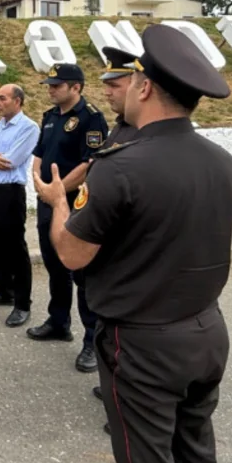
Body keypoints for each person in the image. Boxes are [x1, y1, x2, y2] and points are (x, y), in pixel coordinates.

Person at [33, 24, 232, 463]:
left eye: (128, 81)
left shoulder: (121, 167)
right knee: (196, 462)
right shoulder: (223, 162)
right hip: (206, 332)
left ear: (145, 88)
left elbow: (73, 254)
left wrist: (59, 204)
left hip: (143, 346)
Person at [27, 63, 109, 374]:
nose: (50, 89)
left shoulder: (91, 118)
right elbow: (39, 153)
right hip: (48, 201)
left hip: (76, 204)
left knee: (82, 272)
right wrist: (40, 183)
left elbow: (91, 164)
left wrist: (58, 191)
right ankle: (59, 321)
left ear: (75, 87)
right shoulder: (50, 116)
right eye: (49, 84)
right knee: (53, 264)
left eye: (56, 85)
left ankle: (91, 341)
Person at [89, 45, 143, 432]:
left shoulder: (145, 133)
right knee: (110, 331)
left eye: (115, 84)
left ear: (140, 85)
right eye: (105, 84)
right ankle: (114, 391)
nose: (106, 91)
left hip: (130, 252)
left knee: (133, 337)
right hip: (110, 250)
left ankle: (128, 411)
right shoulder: (121, 127)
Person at [0, 84, 40, 327]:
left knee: (15, 248)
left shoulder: (29, 128)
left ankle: (22, 303)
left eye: (2, 98)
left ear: (18, 101)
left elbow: (10, 161)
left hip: (11, 193)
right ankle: (5, 289)